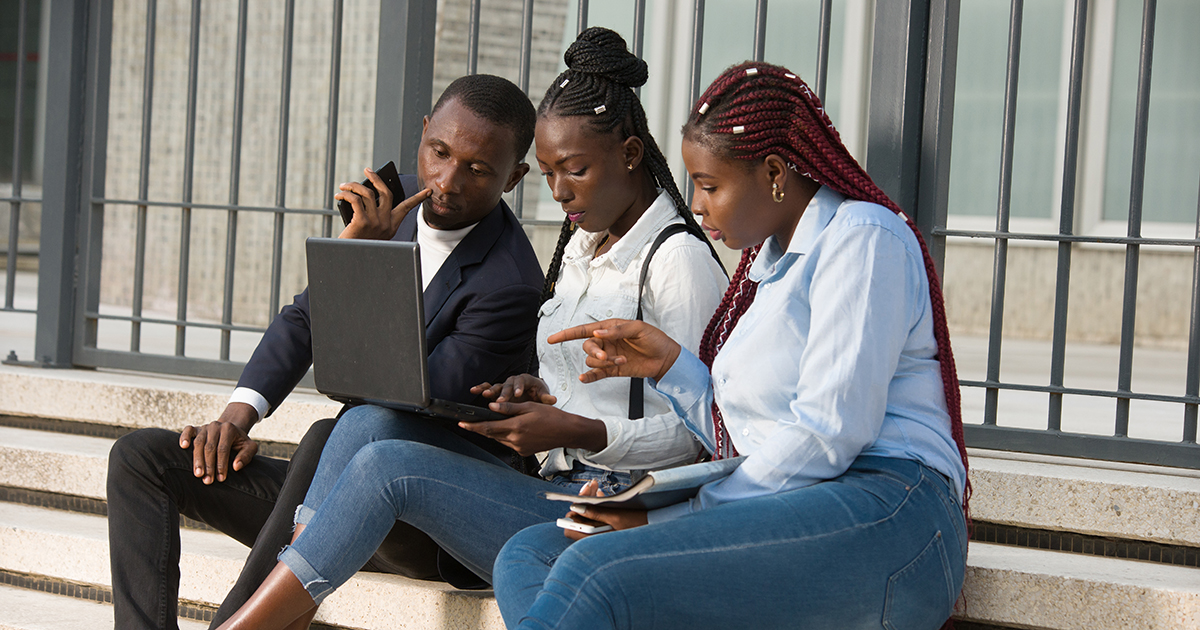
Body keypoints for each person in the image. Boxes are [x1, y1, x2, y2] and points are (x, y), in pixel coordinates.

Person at [210, 27, 728, 630]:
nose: (558, 192)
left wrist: (577, 428)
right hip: (554, 490)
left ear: (631, 155)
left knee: (385, 466)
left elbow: (703, 435)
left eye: (575, 171)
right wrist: (534, 390)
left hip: (616, 512)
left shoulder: (679, 263)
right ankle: (286, 618)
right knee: (364, 422)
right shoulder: (585, 246)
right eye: (550, 172)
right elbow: (588, 384)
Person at [492, 61, 972, 630]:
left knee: (595, 568)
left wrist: (675, 514)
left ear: (773, 172)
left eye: (710, 185)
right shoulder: (763, 270)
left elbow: (827, 435)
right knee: (530, 553)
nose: (696, 205)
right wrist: (672, 367)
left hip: (889, 514)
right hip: (791, 506)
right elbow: (746, 434)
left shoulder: (862, 239)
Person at [105, 73, 545, 630]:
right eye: (439, 152)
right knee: (143, 458)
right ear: (425, 131)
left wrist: (356, 262)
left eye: (478, 169)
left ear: (515, 177)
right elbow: (305, 319)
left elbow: (393, 393)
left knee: (337, 430)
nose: (447, 180)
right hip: (333, 498)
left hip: (425, 525)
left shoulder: (509, 283)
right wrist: (237, 417)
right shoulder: (391, 204)